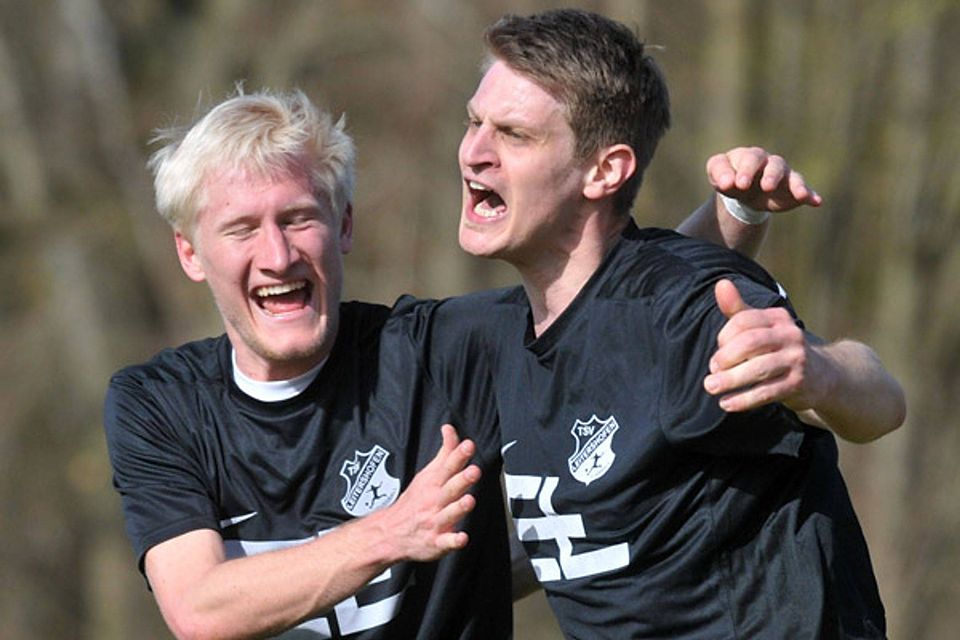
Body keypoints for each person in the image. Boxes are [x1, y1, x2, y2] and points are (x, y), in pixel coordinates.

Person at [103, 89, 811, 638]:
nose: (279, 255)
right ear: (190, 254)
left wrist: (732, 216)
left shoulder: (434, 355)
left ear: (344, 225)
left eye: (298, 218)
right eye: (240, 229)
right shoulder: (158, 404)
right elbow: (200, 609)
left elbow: (612, 309)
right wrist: (392, 532)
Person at [427, 8, 905, 638]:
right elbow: (570, 540)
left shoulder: (684, 308)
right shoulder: (495, 337)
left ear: (605, 171)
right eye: (474, 122)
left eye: (514, 134)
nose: (474, 153)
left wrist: (815, 373)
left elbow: (882, 402)